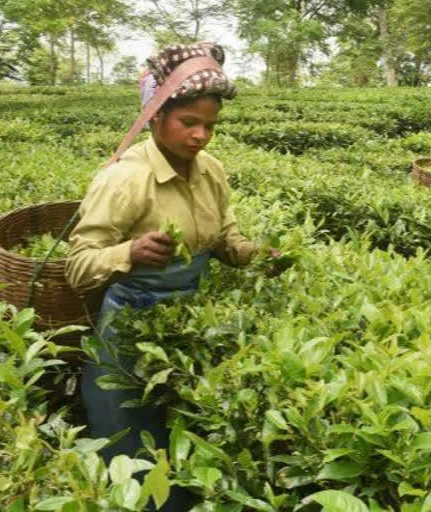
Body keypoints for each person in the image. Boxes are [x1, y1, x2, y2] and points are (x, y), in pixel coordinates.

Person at [65, 42, 279, 511]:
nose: (201, 135)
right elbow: (78, 265)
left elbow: (225, 238)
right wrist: (129, 251)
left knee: (183, 445)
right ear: (155, 114)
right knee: (133, 454)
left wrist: (255, 256)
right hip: (128, 333)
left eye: (210, 126)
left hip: (188, 330)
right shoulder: (125, 178)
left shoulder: (212, 172)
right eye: (189, 123)